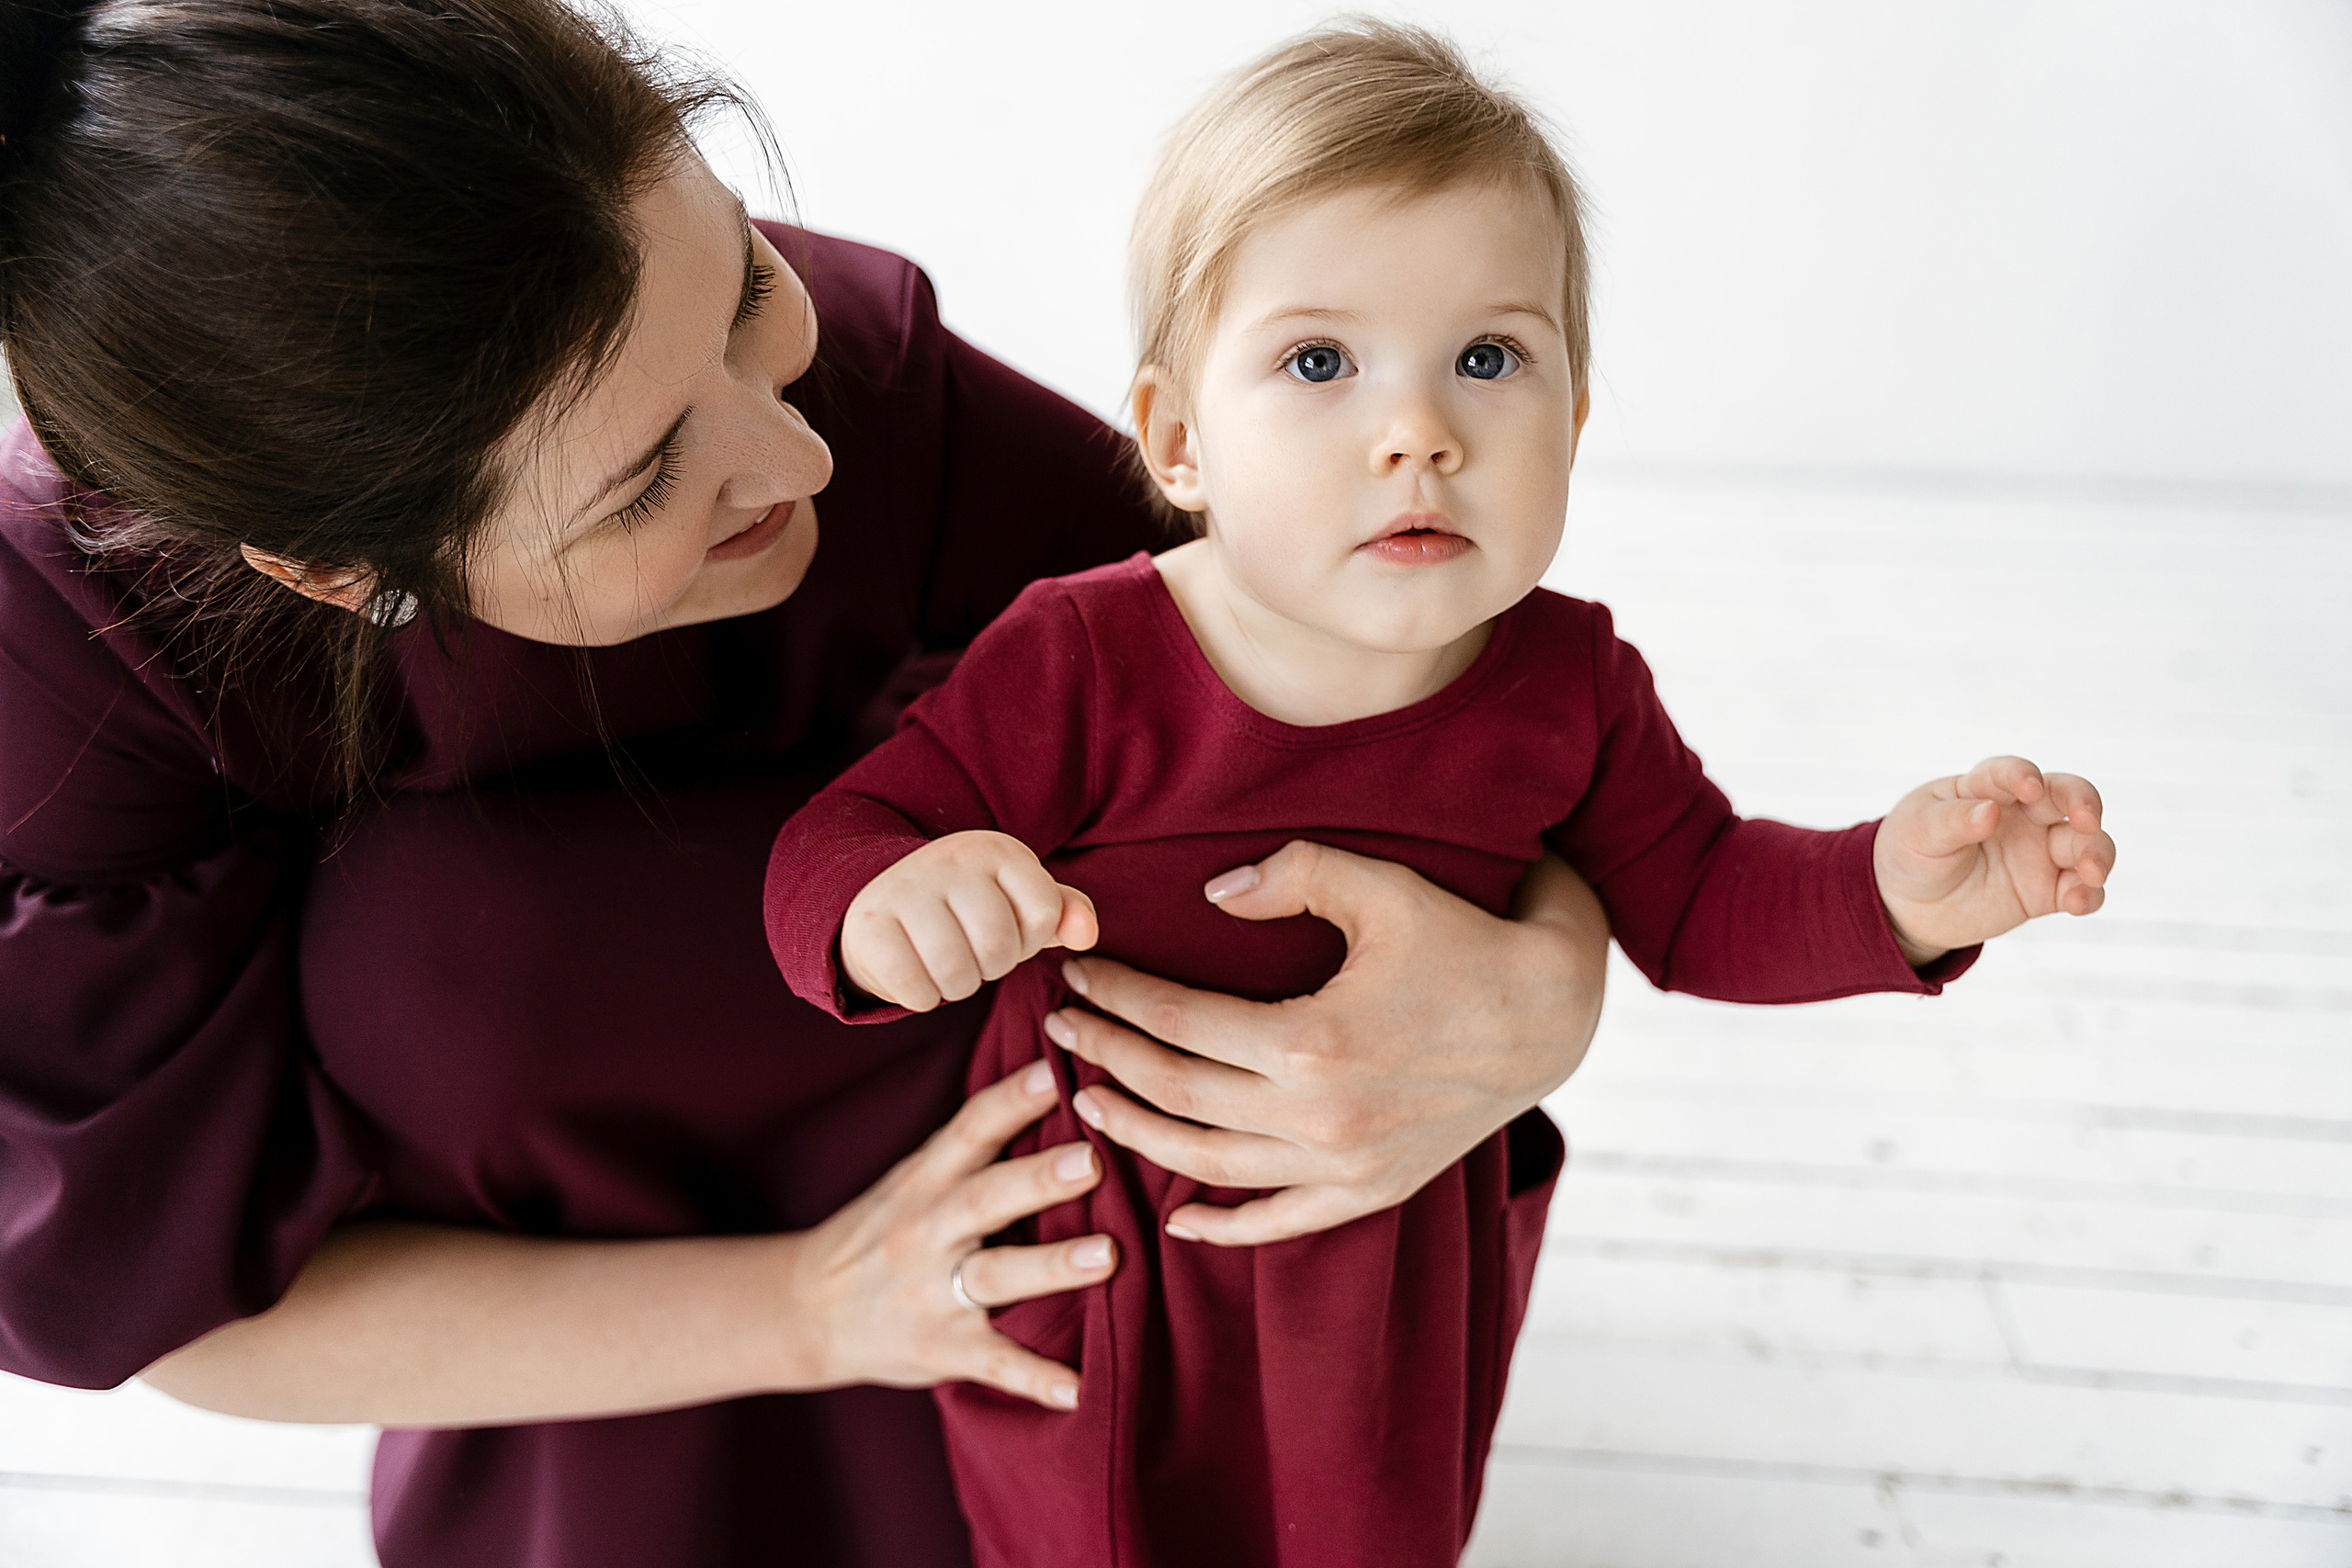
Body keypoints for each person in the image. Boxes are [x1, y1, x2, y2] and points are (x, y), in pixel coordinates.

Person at [0, 4, 1613, 1565]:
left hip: (1066, 1209)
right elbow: (184, 1313)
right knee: (443, 961)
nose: (801, 463)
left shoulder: (858, 383)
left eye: (751, 290)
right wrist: (825, 1305)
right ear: (343, 575)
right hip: (582, 1302)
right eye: (643, 479)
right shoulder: (61, 655)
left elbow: (1371, 671)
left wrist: (1539, 988)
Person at [764, 22, 2120, 1568]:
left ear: (1577, 421)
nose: (1420, 431)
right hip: (1094, 1264)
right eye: (1319, 362)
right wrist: (889, 909)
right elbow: (843, 838)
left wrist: (1896, 888)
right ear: (1178, 439)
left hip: (1384, 1266)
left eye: (1490, 358)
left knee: (1374, 1534)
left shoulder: (1567, 684)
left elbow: (1699, 898)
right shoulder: (1081, 654)